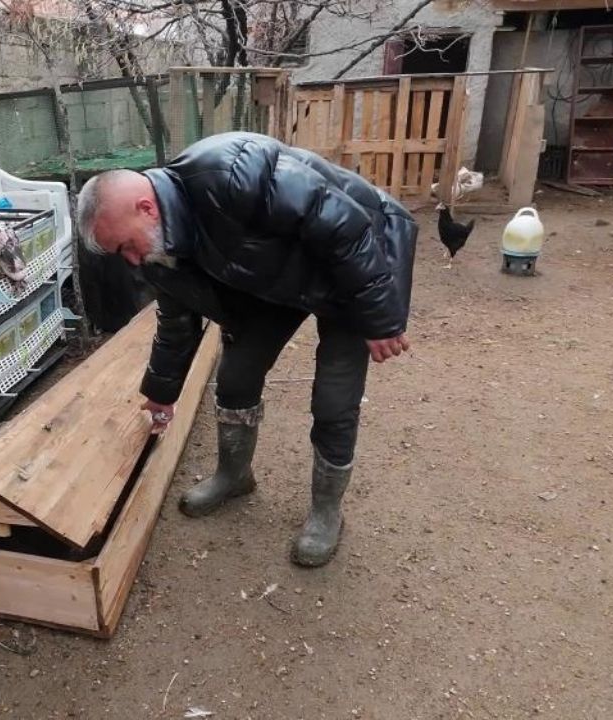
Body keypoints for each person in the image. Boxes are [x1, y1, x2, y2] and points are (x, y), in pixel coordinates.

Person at [76, 132, 417, 567]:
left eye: (125, 245)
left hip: (355, 263)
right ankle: (234, 475)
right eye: (119, 253)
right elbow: (177, 323)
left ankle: (326, 511)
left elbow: (343, 227)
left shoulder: (229, 171)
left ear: (146, 208)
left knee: (334, 399)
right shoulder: (158, 252)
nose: (129, 259)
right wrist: (161, 391)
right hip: (280, 279)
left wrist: (380, 315)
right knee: (236, 377)